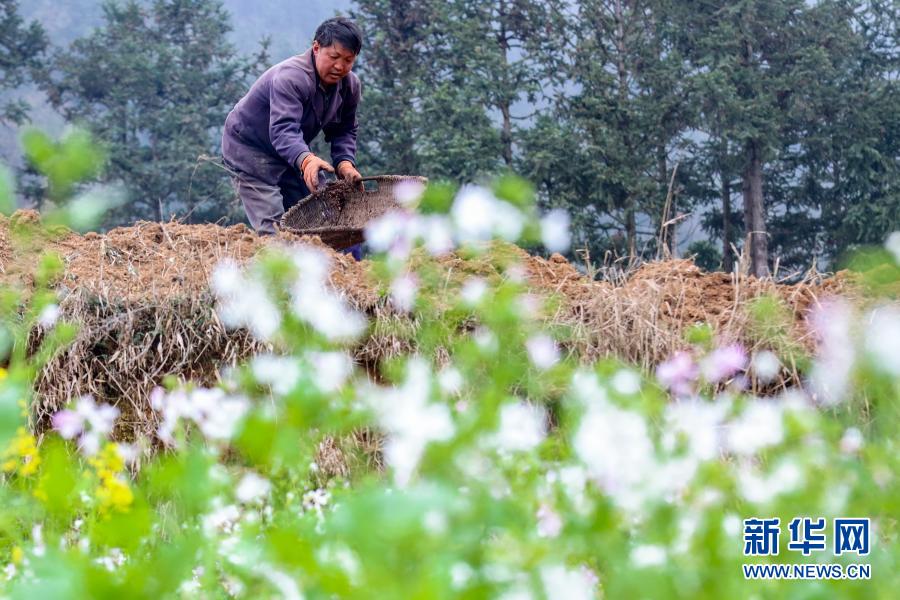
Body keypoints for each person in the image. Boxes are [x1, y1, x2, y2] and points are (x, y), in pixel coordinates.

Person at [222, 17, 363, 236]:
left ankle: (330, 267)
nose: (340, 66)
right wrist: (306, 160)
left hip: (291, 151)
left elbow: (344, 130)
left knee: (323, 212)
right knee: (274, 229)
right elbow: (283, 130)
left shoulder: (349, 86)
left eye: (348, 60)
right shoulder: (291, 78)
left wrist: (345, 163)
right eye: (334, 57)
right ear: (316, 47)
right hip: (250, 149)